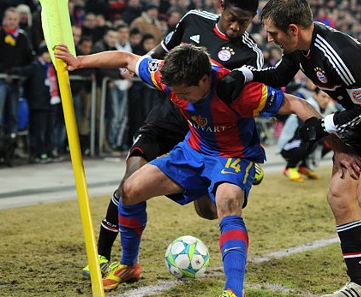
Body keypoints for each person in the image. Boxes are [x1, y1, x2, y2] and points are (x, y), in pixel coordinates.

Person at [55, 42, 358, 296]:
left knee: (225, 203)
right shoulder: (170, 76)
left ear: (203, 80)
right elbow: (126, 58)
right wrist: (78, 61)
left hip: (234, 155)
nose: (178, 98)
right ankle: (129, 265)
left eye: (183, 92)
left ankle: (233, 291)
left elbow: (297, 104)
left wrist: (339, 148)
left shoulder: (237, 92)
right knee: (130, 189)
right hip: (194, 150)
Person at [217, 1, 361, 296]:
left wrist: (324, 124)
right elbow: (278, 76)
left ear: (293, 29)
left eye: (273, 33)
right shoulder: (299, 48)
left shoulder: (337, 55)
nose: (269, 38)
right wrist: (244, 75)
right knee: (339, 196)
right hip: (360, 115)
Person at [81, 0, 266, 279]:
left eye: (245, 22)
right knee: (132, 175)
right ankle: (103, 255)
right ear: (221, 6)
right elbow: (161, 52)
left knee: (207, 211)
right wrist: (140, 65)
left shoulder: (251, 55)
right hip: (172, 112)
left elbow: (252, 107)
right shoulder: (193, 20)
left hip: (209, 132)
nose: (236, 26)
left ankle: (233, 179)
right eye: (232, 18)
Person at [0, 7, 35, 137]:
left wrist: (19, 72)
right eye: (10, 19)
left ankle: (10, 146)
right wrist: (4, 71)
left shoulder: (23, 36)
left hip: (16, 81)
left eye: (15, 19)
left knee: (14, 114)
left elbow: (30, 57)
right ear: (4, 19)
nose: (12, 22)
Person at [277, 86, 334, 181]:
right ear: (315, 95)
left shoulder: (329, 108)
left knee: (331, 142)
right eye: (323, 96)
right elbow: (305, 131)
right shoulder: (306, 106)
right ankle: (290, 168)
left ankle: (304, 167)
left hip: (303, 141)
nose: (326, 100)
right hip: (288, 145)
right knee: (312, 138)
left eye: (328, 97)